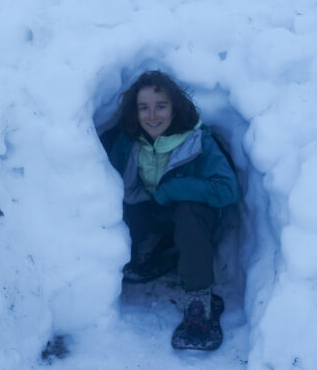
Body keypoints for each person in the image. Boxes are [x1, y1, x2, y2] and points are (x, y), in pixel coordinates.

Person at [102, 71, 240, 350]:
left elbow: (227, 189)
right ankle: (155, 250)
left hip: (195, 222)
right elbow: (103, 182)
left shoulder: (197, 141)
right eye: (144, 107)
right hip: (155, 215)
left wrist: (173, 189)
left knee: (189, 211)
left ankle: (199, 300)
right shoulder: (129, 142)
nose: (152, 115)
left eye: (161, 106)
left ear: (174, 107)